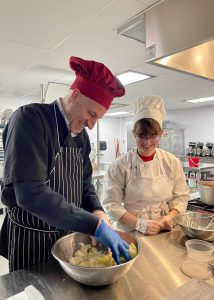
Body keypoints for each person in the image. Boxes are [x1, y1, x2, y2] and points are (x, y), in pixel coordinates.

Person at [0, 56, 131, 272]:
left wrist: (97, 211)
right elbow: (31, 194)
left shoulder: (81, 136)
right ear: (75, 95)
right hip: (31, 239)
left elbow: (85, 184)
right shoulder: (30, 119)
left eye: (97, 118)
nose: (91, 125)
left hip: (67, 238)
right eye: (91, 114)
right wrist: (94, 226)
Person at [102, 96, 189, 235]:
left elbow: (181, 197)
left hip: (164, 228)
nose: (147, 142)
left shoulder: (171, 162)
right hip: (130, 229)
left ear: (161, 134)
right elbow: (111, 203)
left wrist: (168, 217)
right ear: (133, 134)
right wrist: (139, 224)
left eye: (153, 136)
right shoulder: (120, 165)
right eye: (141, 136)